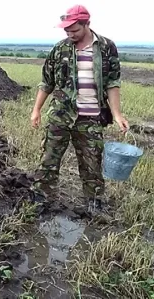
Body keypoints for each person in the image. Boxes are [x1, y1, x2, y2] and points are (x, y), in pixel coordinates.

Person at [29, 5, 129, 211]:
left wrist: (117, 114)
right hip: (61, 115)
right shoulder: (59, 49)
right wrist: (36, 109)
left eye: (74, 30)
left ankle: (94, 204)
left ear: (87, 25)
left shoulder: (106, 47)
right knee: (48, 159)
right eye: (66, 30)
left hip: (91, 117)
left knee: (92, 163)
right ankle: (41, 199)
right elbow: (46, 82)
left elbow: (112, 82)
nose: (69, 34)